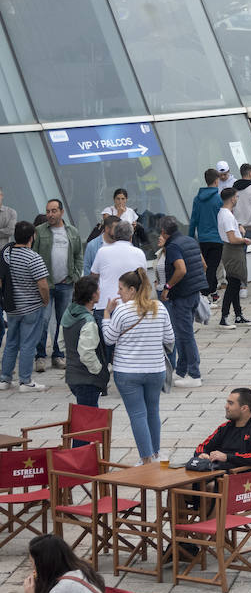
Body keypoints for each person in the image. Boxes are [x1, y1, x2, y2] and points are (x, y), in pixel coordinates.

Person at [102, 269, 174, 464]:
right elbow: (170, 339)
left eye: (121, 289)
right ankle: (156, 453)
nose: (119, 293)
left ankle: (146, 458)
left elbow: (109, 339)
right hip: (155, 369)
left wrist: (106, 315)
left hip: (127, 371)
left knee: (137, 415)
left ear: (132, 290)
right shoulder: (159, 307)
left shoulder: (122, 311)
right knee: (153, 411)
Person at [22, 534, 113, 593]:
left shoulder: (65, 589)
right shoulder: (80, 571)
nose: (33, 569)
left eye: (33, 563)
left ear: (44, 565)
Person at [157, 217, 207, 387]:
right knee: (183, 332)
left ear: (164, 232)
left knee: (185, 335)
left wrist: (167, 287)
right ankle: (181, 370)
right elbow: (203, 265)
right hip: (194, 293)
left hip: (182, 295)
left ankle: (194, 375)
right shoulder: (190, 240)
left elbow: (181, 269)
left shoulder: (173, 246)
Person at [0, 222, 49, 392]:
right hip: (31, 308)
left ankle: (5, 379)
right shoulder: (33, 257)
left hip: (12, 308)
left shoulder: (7, 254)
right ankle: (25, 381)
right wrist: (45, 300)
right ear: (31, 237)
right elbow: (42, 285)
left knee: (11, 342)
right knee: (28, 344)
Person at [34, 199, 81, 373]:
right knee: (43, 321)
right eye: (48, 211)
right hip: (46, 284)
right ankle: (40, 356)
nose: (50, 215)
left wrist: (75, 275)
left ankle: (58, 355)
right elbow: (34, 256)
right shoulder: (39, 231)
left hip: (66, 284)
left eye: (54, 211)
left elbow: (78, 255)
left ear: (61, 212)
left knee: (63, 322)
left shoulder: (72, 232)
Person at [194, 388, 251, 469]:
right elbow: (202, 447)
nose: (226, 406)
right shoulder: (224, 427)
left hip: (240, 476)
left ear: (244, 408)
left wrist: (227, 457)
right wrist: (202, 454)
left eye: (230, 403)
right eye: (227, 402)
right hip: (216, 470)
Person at [61, 276, 107, 408]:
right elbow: (86, 353)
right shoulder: (88, 322)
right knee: (90, 420)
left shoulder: (68, 313)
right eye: (98, 290)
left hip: (72, 376)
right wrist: (99, 370)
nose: (100, 292)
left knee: (87, 416)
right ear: (92, 296)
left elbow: (61, 342)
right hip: (87, 380)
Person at [215, 188, 251, 327]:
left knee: (234, 283)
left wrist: (239, 227)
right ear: (232, 199)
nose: (237, 199)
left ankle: (238, 315)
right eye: (236, 197)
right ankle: (224, 317)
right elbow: (232, 238)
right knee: (233, 284)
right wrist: (244, 240)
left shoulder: (224, 213)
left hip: (230, 251)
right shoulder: (227, 215)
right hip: (233, 251)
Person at [189, 169, 224, 305]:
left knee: (209, 267)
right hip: (216, 238)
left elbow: (193, 220)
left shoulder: (197, 199)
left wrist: (191, 238)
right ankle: (204, 295)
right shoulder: (219, 199)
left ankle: (213, 293)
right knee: (212, 268)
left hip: (202, 239)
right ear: (216, 181)